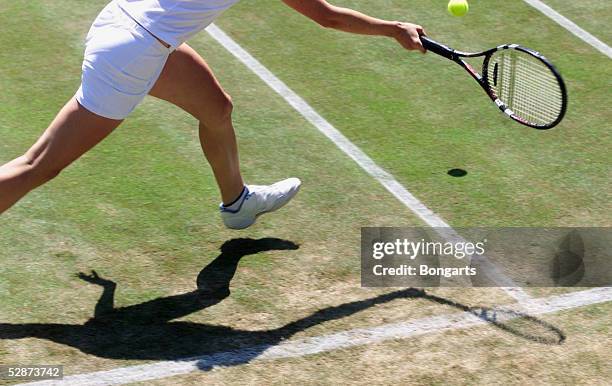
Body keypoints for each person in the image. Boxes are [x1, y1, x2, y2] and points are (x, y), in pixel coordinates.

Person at [0, 0, 426, 229]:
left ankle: (237, 203)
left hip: (123, 23)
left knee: (216, 109)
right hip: (135, 49)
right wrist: (393, 28)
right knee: (38, 165)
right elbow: (327, 18)